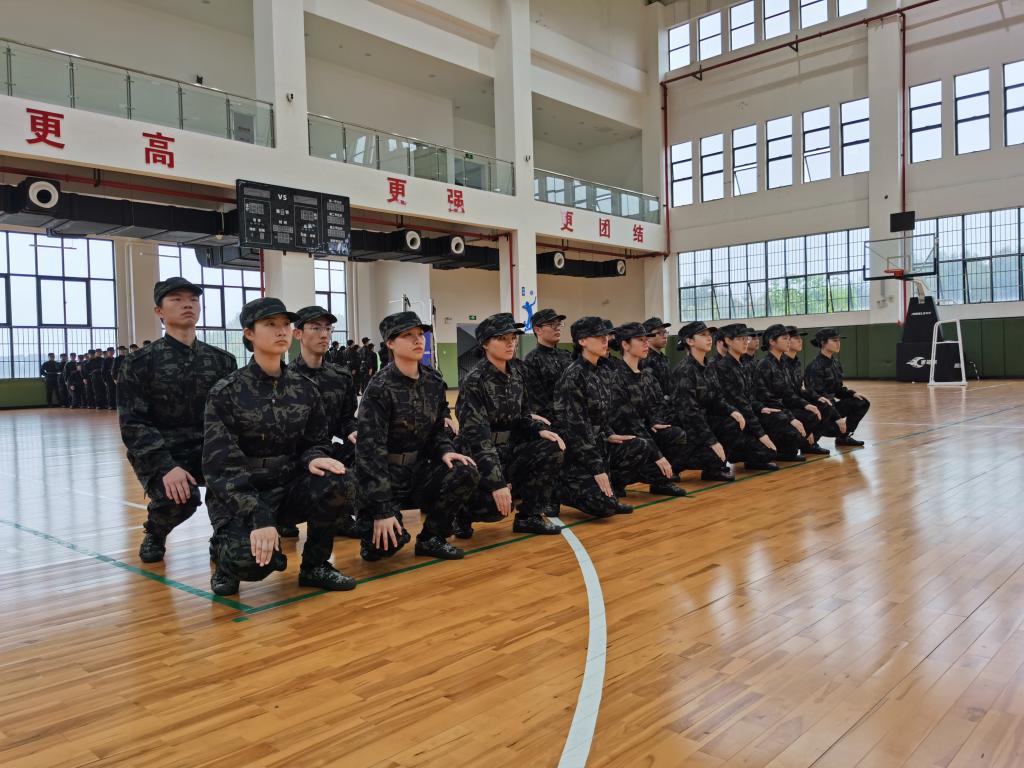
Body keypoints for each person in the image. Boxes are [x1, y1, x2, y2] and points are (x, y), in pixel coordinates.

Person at [202, 297, 357, 596]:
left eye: (285, 324)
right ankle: (224, 554)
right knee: (250, 562)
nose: (281, 330)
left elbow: (316, 441)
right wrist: (258, 516)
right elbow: (221, 467)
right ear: (249, 333)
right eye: (270, 324)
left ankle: (315, 566)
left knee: (339, 479)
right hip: (242, 492)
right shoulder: (227, 392)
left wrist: (314, 458)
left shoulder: (305, 388)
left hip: (286, 487)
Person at [117, 277, 238, 563]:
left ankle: (223, 537)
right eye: (177, 299)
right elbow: (133, 424)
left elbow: (232, 417)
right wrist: (166, 466)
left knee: (242, 486)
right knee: (180, 499)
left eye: (193, 300)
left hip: (210, 450)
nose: (188, 305)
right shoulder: (139, 363)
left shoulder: (222, 361)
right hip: (165, 452)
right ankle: (155, 531)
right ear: (159, 311)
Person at [355, 311, 480, 562]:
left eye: (420, 334)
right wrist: (382, 508)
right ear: (390, 343)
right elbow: (369, 452)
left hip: (420, 470)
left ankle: (432, 537)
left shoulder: (432, 380)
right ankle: (375, 528)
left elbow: (436, 429)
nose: (417, 340)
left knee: (465, 471)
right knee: (385, 547)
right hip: (387, 475)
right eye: (408, 335)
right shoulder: (379, 387)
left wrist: (445, 450)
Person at [454, 313, 565, 539]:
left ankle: (529, 516)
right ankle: (461, 513)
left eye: (513, 338)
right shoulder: (475, 381)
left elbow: (523, 416)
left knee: (551, 446)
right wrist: (497, 483)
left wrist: (539, 429)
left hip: (509, 450)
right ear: (485, 344)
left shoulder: (517, 374)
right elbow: (477, 439)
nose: (510, 343)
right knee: (495, 508)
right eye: (502, 338)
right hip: (480, 455)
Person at [554, 316, 664, 518]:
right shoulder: (573, 376)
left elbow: (603, 414)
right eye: (599, 337)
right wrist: (597, 468)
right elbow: (576, 430)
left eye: (606, 336)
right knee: (603, 508)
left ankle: (613, 491)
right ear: (582, 341)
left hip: (600, 444)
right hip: (579, 452)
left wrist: (609, 433)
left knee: (639, 445)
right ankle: (560, 489)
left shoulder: (604, 371)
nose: (605, 341)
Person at [291, 305, 361, 539]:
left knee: (365, 450)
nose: (324, 335)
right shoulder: (285, 378)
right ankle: (283, 516)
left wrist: (352, 431)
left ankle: (341, 515)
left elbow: (346, 418)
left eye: (328, 329)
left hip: (327, 450)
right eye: (315, 328)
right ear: (298, 334)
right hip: (294, 456)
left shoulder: (339, 377)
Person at [605, 322, 688, 496]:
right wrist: (658, 456)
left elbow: (659, 406)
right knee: (640, 444)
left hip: (645, 430)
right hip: (625, 436)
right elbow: (630, 422)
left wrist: (655, 421)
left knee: (675, 434)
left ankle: (660, 481)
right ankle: (617, 481)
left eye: (646, 340)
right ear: (625, 345)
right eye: (640, 340)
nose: (645, 344)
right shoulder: (616, 379)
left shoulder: (648, 377)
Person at [667, 321, 754, 483]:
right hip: (686, 426)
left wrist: (733, 411)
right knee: (709, 450)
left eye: (709, 335)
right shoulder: (684, 370)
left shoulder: (709, 367)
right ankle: (675, 465)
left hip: (704, 421)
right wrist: (712, 441)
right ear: (690, 341)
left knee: (732, 422)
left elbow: (717, 398)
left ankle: (713, 469)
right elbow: (690, 413)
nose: (709, 338)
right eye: (703, 335)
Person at [710, 324, 780, 471]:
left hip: (744, 416)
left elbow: (749, 397)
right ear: (728, 341)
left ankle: (744, 453)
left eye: (746, 339)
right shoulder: (722, 367)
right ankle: (732, 453)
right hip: (728, 421)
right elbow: (740, 403)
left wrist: (761, 407)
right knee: (767, 451)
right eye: (740, 339)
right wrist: (761, 434)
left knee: (773, 428)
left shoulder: (743, 365)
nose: (745, 342)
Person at [753, 324, 823, 461]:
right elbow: (767, 399)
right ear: (772, 342)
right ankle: (781, 449)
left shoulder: (783, 364)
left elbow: (788, 393)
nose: (788, 341)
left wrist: (806, 404)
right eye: (784, 338)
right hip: (769, 412)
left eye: (788, 338)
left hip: (782, 408)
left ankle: (790, 447)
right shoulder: (765, 365)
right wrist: (791, 417)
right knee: (788, 422)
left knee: (812, 413)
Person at [805, 328, 871, 447]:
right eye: (834, 340)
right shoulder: (815, 366)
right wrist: (837, 418)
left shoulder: (835, 363)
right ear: (823, 343)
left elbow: (838, 389)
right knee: (830, 417)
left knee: (862, 402)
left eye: (839, 340)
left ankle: (844, 437)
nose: (838, 343)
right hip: (821, 411)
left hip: (832, 406)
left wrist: (852, 393)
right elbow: (818, 397)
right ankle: (812, 440)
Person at [784, 327, 831, 455]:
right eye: (796, 338)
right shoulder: (781, 363)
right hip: (784, 404)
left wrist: (816, 397)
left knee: (825, 405)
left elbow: (799, 389)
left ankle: (810, 443)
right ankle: (799, 441)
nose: (800, 341)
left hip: (795, 400)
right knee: (811, 413)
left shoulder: (796, 362)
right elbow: (786, 393)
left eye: (800, 338)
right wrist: (806, 404)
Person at [522, 308, 571, 423]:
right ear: (538, 330)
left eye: (558, 324)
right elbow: (538, 403)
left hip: (575, 421)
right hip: (552, 424)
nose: (557, 328)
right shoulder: (532, 360)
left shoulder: (567, 355)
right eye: (552, 324)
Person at [640, 317, 674, 396]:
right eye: (660, 333)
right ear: (648, 336)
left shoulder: (662, 357)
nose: (665, 336)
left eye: (665, 332)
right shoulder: (646, 360)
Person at [101, 347, 116, 411]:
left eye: (112, 351)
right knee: (110, 392)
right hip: (108, 378)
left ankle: (115, 404)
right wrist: (104, 380)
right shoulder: (105, 360)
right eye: (110, 351)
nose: (111, 352)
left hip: (115, 378)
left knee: (115, 391)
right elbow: (103, 371)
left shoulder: (115, 359)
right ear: (107, 352)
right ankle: (110, 405)